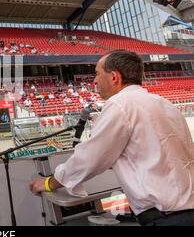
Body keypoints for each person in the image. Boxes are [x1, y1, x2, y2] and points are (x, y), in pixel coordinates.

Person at [29, 50, 194, 226]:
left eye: (97, 74)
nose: (94, 80)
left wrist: (49, 183)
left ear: (114, 77)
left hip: (166, 218)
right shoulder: (165, 103)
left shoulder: (119, 105)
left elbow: (89, 159)